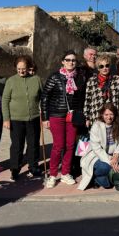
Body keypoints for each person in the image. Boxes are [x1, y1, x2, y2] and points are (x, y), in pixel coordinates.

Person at [41, 50, 87, 188]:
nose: (71, 62)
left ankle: (65, 173)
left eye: (73, 60)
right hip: (56, 115)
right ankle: (53, 174)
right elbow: (45, 97)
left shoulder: (79, 78)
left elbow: (81, 98)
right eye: (68, 60)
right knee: (58, 145)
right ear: (62, 61)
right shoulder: (55, 77)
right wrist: (44, 118)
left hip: (72, 116)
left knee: (70, 145)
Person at [2, 56, 43, 181]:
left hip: (34, 118)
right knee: (17, 145)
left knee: (33, 144)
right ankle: (15, 169)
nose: (21, 71)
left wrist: (43, 111)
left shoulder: (36, 79)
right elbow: (5, 100)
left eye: (23, 68)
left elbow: (42, 97)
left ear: (28, 68)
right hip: (16, 119)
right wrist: (6, 118)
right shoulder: (11, 81)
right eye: (19, 69)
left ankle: (33, 167)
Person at [77, 104, 119, 190]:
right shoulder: (96, 126)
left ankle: (102, 179)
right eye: (106, 114)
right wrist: (111, 161)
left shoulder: (118, 125)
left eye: (111, 114)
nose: (109, 117)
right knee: (106, 168)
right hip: (96, 156)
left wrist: (116, 155)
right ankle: (94, 176)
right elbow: (97, 149)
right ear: (102, 115)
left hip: (113, 154)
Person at [83, 54, 119, 127]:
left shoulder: (117, 79)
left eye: (107, 65)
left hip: (113, 116)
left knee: (113, 137)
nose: (104, 68)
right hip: (96, 115)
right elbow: (88, 100)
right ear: (98, 68)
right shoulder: (91, 81)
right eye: (101, 66)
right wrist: (87, 117)